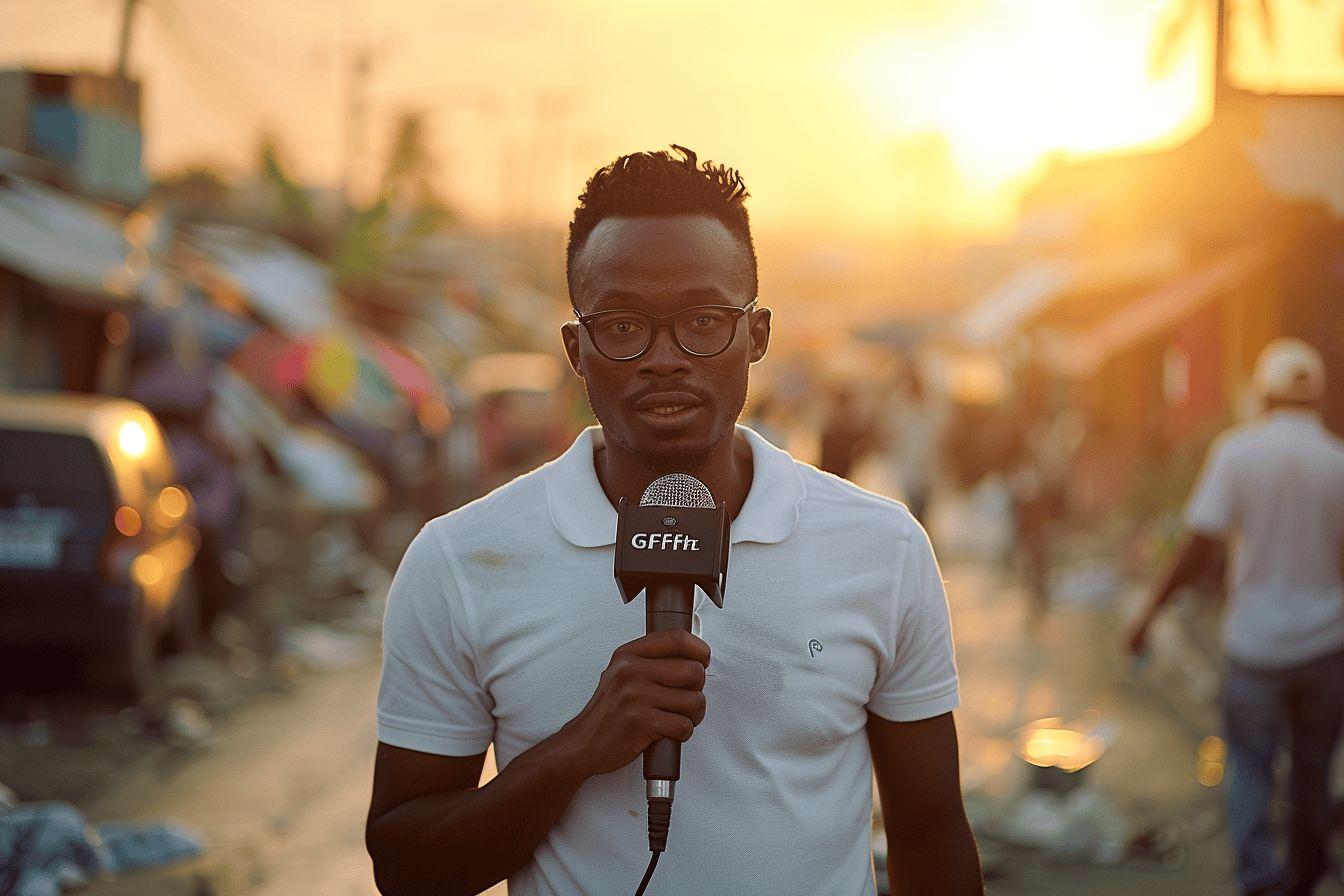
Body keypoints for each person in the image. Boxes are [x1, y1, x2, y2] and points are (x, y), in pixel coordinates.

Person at [365, 146, 982, 896]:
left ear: (756, 335)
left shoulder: (882, 549)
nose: (664, 358)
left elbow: (931, 836)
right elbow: (405, 867)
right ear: (576, 348)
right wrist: (578, 750)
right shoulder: (462, 560)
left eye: (702, 320)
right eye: (623, 325)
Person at [1127, 338, 1344, 896]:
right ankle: (1307, 875)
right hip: (1325, 648)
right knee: (1313, 771)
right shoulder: (1337, 462)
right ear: (1318, 396)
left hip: (1255, 647)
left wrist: (1148, 613)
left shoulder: (1237, 453)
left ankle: (1259, 879)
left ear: (1262, 393)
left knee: (1248, 765)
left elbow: (1198, 544)